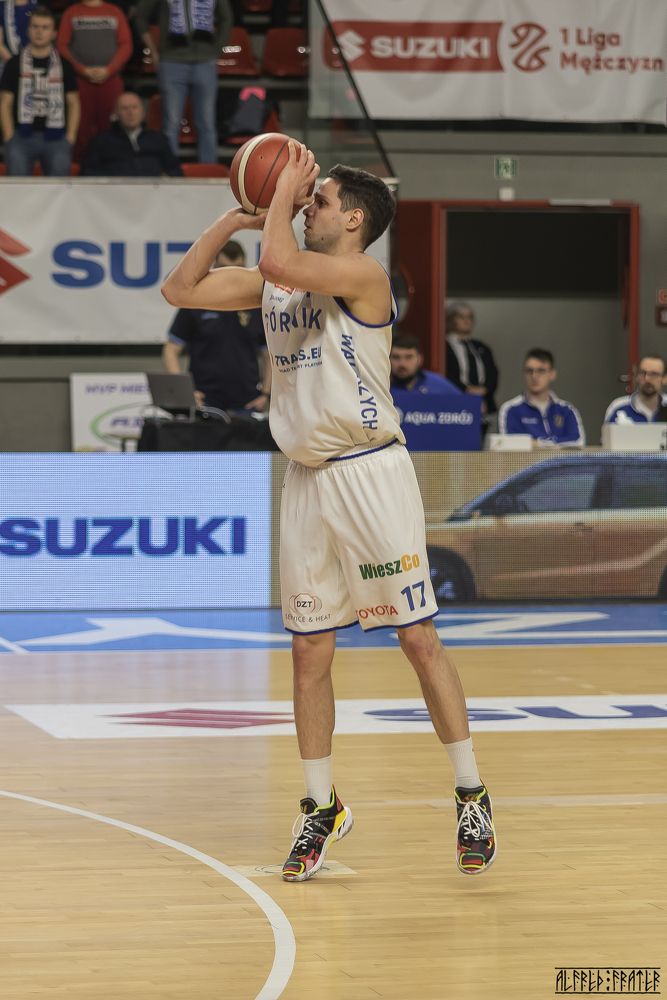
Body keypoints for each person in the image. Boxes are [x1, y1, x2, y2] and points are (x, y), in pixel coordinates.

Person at [162, 149, 497, 880]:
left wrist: (280, 191)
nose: (308, 203)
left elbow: (282, 260)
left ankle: (471, 793)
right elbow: (179, 288)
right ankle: (321, 806)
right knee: (309, 650)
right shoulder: (277, 283)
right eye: (306, 196)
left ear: (353, 219)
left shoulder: (366, 276)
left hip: (371, 473)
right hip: (307, 481)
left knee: (417, 639)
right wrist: (236, 216)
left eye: (320, 199)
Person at [162, 240, 269, 412]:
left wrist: (266, 394)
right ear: (214, 267)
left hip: (248, 403)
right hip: (205, 402)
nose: (231, 275)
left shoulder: (257, 303)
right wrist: (185, 392)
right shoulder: (196, 300)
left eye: (238, 269)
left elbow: (270, 354)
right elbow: (170, 350)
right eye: (224, 269)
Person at [135, 0, 232, 164]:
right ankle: (169, 169)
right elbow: (140, 15)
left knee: (207, 123)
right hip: (172, 61)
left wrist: (216, 49)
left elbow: (227, 17)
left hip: (204, 62)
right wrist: (153, 51)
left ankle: (209, 171)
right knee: (171, 124)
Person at [0, 7, 80, 176]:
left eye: (45, 27)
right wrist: (9, 137)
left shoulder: (65, 65)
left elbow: (74, 103)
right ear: (28, 30)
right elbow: (5, 103)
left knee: (59, 187)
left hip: (57, 138)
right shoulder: (14, 64)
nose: (39, 32)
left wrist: (70, 138)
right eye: (35, 26)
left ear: (53, 33)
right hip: (21, 137)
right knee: (18, 188)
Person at [57, 0, 132, 164]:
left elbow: (126, 45)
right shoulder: (71, 12)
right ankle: (77, 168)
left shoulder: (115, 12)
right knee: (79, 129)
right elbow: (62, 45)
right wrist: (80, 69)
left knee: (111, 128)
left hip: (110, 80)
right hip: (80, 81)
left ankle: (112, 168)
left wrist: (109, 69)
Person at [81, 90, 182, 175]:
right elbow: (87, 173)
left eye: (134, 107)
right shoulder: (100, 141)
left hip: (153, 190)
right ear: (116, 113)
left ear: (142, 111)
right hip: (115, 190)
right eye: (124, 108)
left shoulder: (159, 139)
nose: (130, 112)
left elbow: (175, 172)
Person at [498, 348, 585, 447]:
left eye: (541, 371)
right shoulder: (510, 409)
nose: (534, 376)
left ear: (552, 374)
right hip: (526, 459)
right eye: (529, 371)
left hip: (560, 458)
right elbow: (508, 444)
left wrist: (538, 443)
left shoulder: (567, 410)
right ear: (524, 373)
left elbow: (578, 442)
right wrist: (553, 443)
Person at [445, 301, 499, 423]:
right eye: (461, 316)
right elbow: (445, 373)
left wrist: (485, 389)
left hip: (483, 406)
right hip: (454, 405)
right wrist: (466, 389)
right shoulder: (442, 347)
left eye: (470, 317)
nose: (466, 321)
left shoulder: (481, 347)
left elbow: (493, 373)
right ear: (449, 320)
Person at [390, 333, 461, 395]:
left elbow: (463, 402)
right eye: (396, 357)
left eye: (408, 357)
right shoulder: (383, 389)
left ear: (420, 359)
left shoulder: (437, 383)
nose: (402, 364)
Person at [604, 355, 667, 424]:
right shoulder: (618, 408)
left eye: (654, 374)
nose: (647, 379)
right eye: (643, 373)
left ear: (665, 378)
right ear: (636, 376)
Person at [0, 0, 39, 68]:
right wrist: (15, 65)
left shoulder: (37, 8)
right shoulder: (2, 8)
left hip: (34, 63)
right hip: (8, 64)